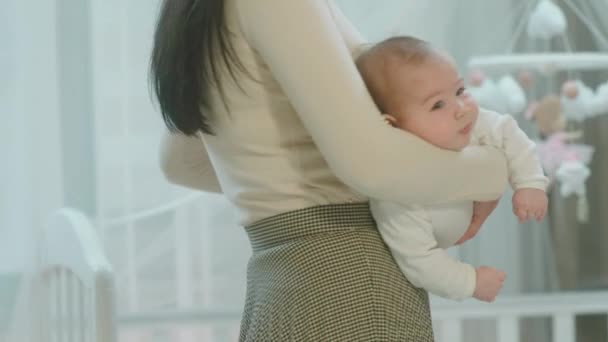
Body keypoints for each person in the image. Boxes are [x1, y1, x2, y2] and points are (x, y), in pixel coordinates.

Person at [151, 0, 509, 340]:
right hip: (349, 272)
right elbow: (372, 164)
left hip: (279, 279)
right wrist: (497, 170)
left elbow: (180, 163)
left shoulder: (200, 14)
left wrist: (276, 184)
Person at [355, 36, 549, 302]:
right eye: (437, 105)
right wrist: (471, 282)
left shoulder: (473, 124)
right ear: (393, 126)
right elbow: (419, 260)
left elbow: (509, 135)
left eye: (459, 91)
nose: (461, 109)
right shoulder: (398, 190)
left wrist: (530, 184)